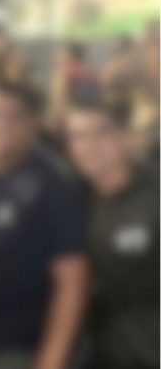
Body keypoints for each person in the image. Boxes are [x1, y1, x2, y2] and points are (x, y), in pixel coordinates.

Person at [0, 84, 88, 369]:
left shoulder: (53, 184)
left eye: (13, 116)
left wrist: (50, 361)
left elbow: (72, 280)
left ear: (32, 125)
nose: (2, 125)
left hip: (24, 351)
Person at [66, 98, 159, 369]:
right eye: (79, 136)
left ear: (125, 138)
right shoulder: (74, 203)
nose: (89, 146)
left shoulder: (154, 197)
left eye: (100, 133)